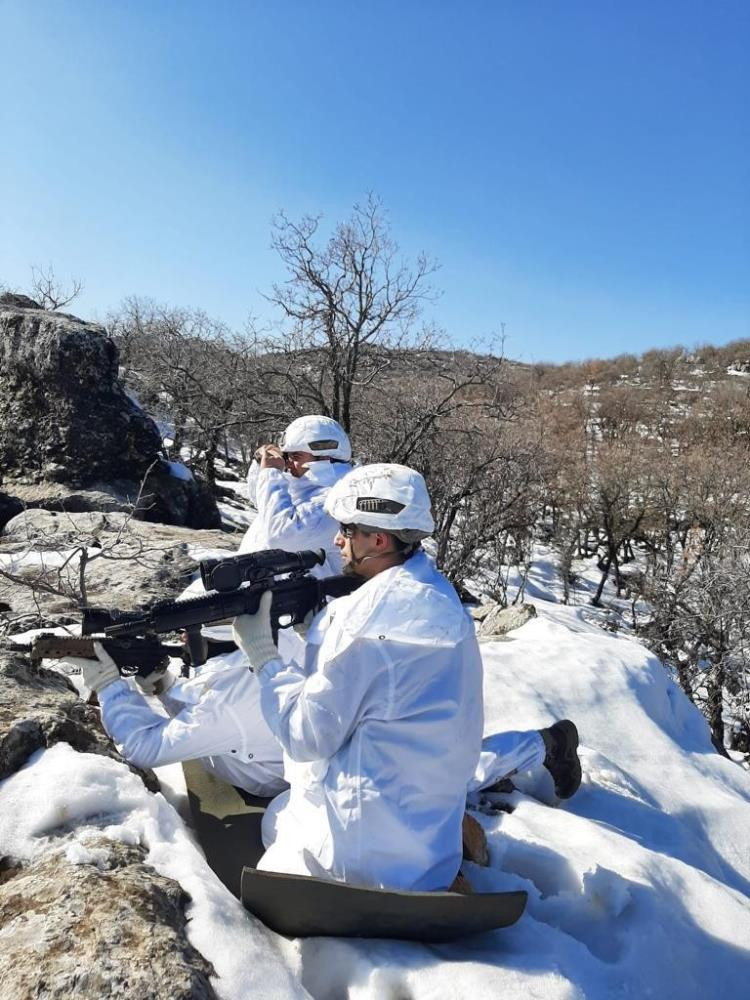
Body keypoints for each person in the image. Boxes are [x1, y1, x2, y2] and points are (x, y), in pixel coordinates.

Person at [232, 463, 484, 892]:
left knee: (275, 821)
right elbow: (388, 683)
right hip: (431, 852)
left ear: (379, 540)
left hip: (354, 868)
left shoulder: (359, 621)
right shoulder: (440, 597)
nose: (336, 540)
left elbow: (305, 736)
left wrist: (264, 657)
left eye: (346, 530)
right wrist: (316, 634)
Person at [64, 646, 286, 797]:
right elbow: (205, 709)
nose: (183, 638)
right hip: (279, 756)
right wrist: (165, 686)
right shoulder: (265, 647)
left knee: (270, 829)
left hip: (273, 784)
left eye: (192, 631)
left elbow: (142, 748)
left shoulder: (228, 701)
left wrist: (108, 686)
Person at [238, 414, 353, 576]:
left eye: (295, 456)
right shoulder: (304, 486)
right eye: (286, 456)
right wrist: (261, 466)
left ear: (324, 457)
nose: (288, 462)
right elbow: (265, 508)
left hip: (306, 591)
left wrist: (270, 473)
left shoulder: (337, 501)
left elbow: (282, 536)